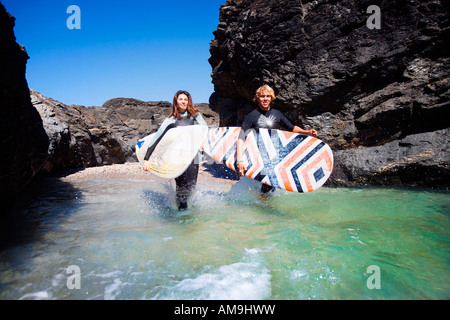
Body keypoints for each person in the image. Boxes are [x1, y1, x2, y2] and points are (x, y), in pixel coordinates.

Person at [236, 85, 318, 197]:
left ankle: (261, 201)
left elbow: (292, 128)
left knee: (271, 186)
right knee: (267, 184)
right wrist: (240, 160)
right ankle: (261, 201)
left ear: (271, 98)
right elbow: (241, 138)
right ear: (257, 98)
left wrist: (307, 132)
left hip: (276, 154)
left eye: (268, 96)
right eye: (262, 96)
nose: (265, 99)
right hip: (260, 155)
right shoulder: (252, 116)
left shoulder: (277, 113)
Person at [143, 90, 207, 210]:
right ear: (176, 102)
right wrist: (147, 158)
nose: (183, 102)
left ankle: (187, 208)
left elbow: (205, 131)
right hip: (177, 157)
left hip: (193, 156)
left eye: (185, 99)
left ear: (189, 102)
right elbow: (157, 138)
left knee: (191, 186)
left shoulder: (195, 116)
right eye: (180, 99)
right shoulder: (171, 120)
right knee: (181, 187)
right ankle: (181, 212)